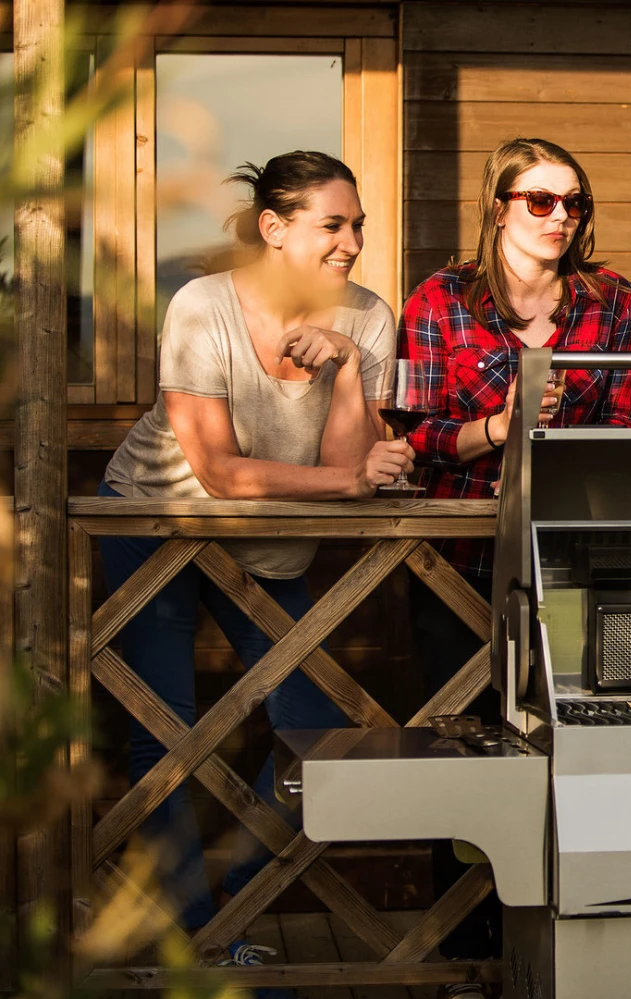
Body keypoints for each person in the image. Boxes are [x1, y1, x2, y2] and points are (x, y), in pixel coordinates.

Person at [98, 151, 413, 966]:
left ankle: (237, 913)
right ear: (274, 228)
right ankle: (196, 939)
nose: (351, 242)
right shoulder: (204, 305)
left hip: (271, 545)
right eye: (333, 225)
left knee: (314, 732)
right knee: (165, 736)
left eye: (358, 226)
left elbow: (350, 480)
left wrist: (344, 363)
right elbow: (221, 472)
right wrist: (352, 477)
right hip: (158, 526)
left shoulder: (369, 317)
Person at [398, 137, 631, 978]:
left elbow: (622, 421)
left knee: (573, 742)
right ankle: (466, 953)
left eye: (572, 201)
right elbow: (420, 432)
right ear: (497, 204)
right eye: (539, 200)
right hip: (458, 558)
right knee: (458, 749)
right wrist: (502, 430)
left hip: (570, 554)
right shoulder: (440, 298)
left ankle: (573, 939)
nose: (559, 217)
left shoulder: (609, 298)